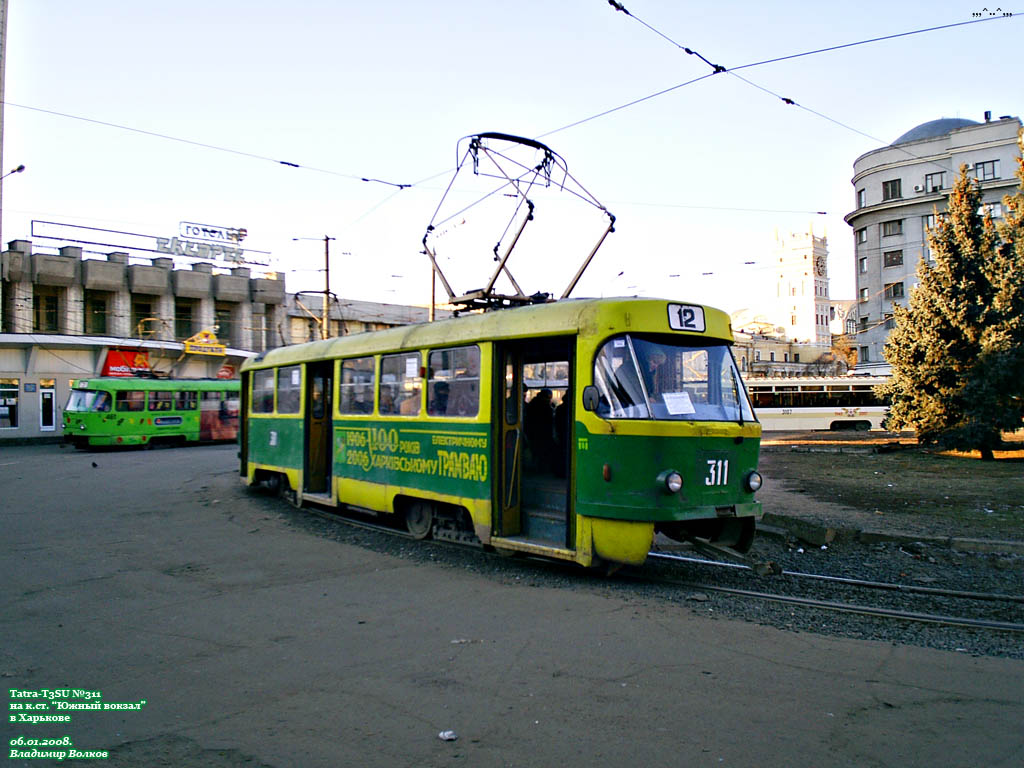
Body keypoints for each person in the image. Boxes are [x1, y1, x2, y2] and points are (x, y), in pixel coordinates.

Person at [524, 388, 555, 471]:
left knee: (537, 451)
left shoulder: (533, 403)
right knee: (542, 451)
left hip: (534, 432)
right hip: (540, 432)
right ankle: (541, 467)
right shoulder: (544, 406)